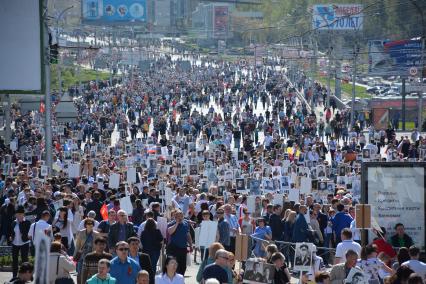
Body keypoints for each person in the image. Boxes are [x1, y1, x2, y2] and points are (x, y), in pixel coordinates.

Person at [74, 218, 100, 284]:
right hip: (82, 257)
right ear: (85, 225)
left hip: (92, 256)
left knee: (92, 274)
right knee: (80, 273)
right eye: (88, 223)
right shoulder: (81, 233)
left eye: (91, 223)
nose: (90, 225)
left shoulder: (96, 234)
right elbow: (77, 245)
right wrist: (75, 256)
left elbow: (99, 246)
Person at [167, 210, 192, 276]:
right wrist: (177, 223)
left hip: (183, 248)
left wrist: (191, 245)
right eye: (178, 216)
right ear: (175, 217)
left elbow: (188, 235)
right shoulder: (171, 223)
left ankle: (180, 279)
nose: (180, 218)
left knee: (183, 266)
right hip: (174, 248)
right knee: (174, 266)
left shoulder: (186, 224)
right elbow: (170, 232)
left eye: (181, 216)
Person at [9, 205, 31, 278]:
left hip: (24, 243)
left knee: (24, 260)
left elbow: (28, 233)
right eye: (17, 214)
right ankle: (14, 276)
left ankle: (24, 276)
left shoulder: (27, 222)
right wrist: (11, 237)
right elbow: (12, 232)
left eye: (20, 214)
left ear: (23, 214)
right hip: (15, 243)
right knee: (14, 260)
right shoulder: (13, 222)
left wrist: (21, 223)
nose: (18, 216)